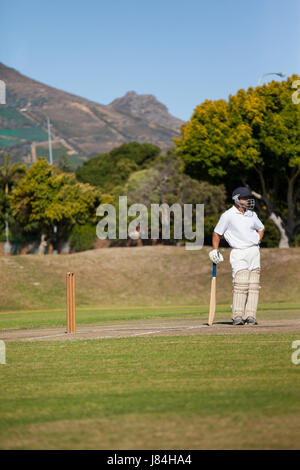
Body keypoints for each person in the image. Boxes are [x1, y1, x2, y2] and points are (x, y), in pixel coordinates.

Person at [209, 187, 265, 325]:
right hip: (238, 251)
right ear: (236, 199)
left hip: (254, 251)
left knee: (253, 285)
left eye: (248, 198)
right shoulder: (228, 215)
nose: (248, 200)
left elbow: (261, 228)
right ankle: (238, 315)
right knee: (241, 283)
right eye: (244, 198)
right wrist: (215, 250)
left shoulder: (252, 215)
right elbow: (217, 233)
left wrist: (257, 240)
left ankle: (251, 315)